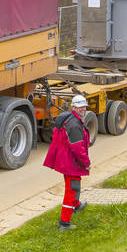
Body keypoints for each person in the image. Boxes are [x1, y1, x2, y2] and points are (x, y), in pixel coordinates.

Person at [43, 94, 91, 231]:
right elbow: (78, 148)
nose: (83, 109)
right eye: (80, 107)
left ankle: (76, 205)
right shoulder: (74, 125)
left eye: (84, 106)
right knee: (72, 189)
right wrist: (86, 163)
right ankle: (64, 223)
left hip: (66, 161)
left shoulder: (70, 118)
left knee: (73, 187)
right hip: (72, 164)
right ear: (73, 108)